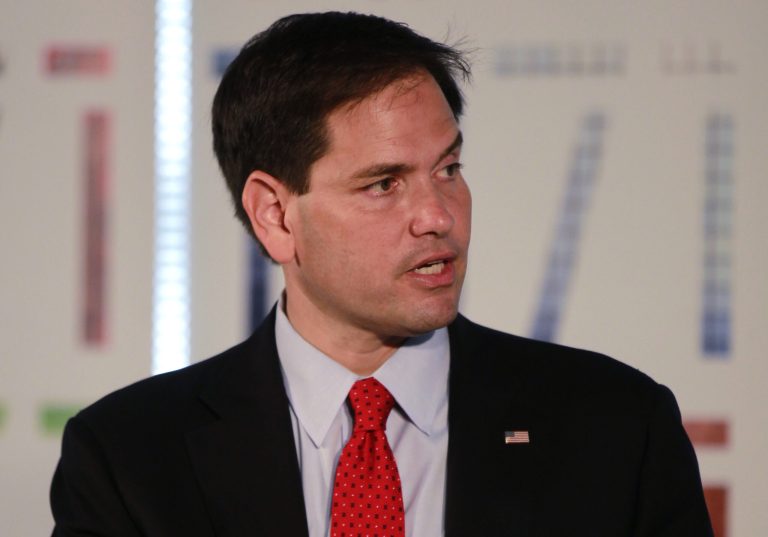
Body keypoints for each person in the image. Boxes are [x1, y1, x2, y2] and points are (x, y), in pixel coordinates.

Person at [50, 11, 713, 537]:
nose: (437, 215)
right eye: (384, 183)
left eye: (448, 169)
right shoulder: (129, 459)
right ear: (274, 215)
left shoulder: (617, 429)